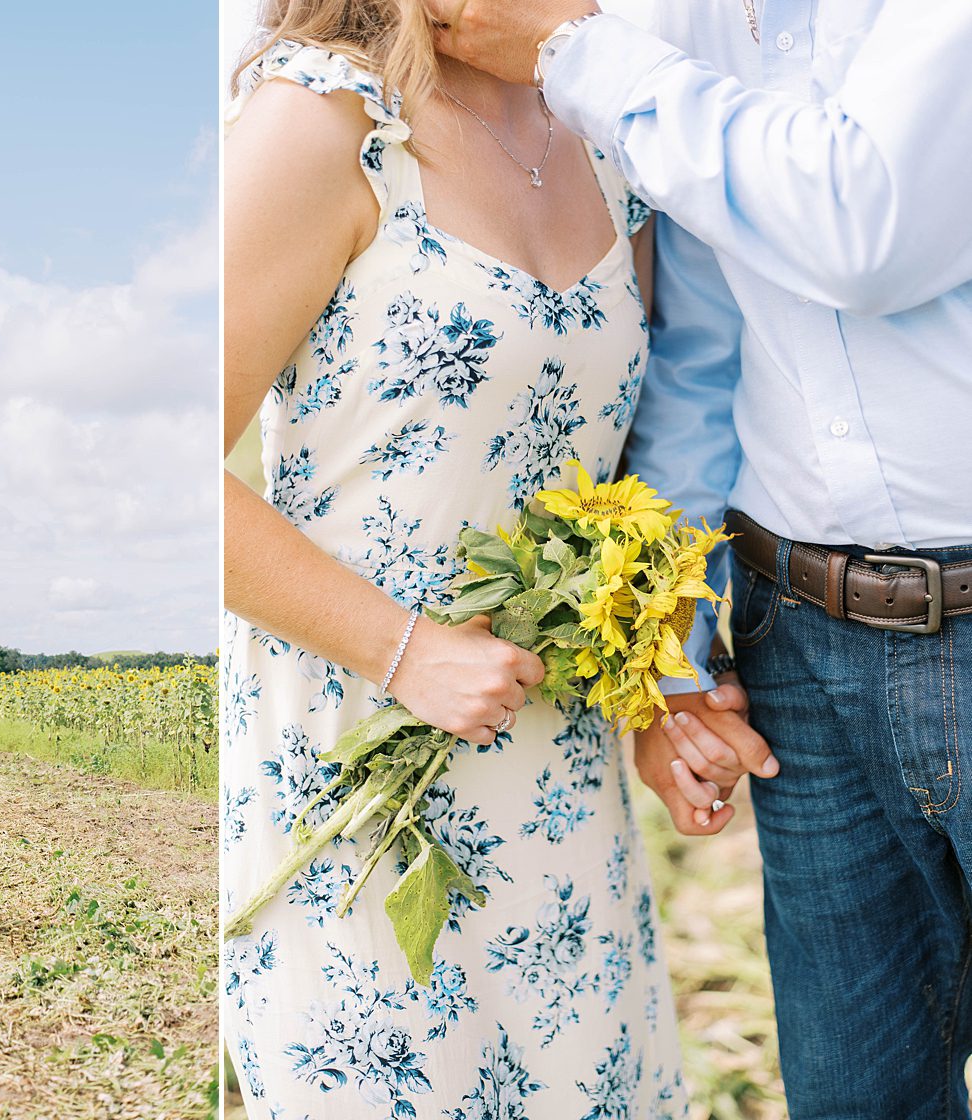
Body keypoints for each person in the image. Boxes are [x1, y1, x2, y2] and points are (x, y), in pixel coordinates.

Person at [220, 1, 773, 1111]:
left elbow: (629, 474)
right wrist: (406, 648)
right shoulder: (323, 123)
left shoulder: (609, 132)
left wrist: (657, 692)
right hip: (358, 784)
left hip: (559, 794)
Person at [434, 1, 972, 1115]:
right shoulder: (674, 28)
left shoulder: (618, 52)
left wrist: (572, 52)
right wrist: (669, 660)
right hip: (799, 641)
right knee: (856, 1094)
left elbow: (862, 227)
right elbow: (699, 359)